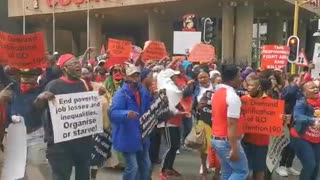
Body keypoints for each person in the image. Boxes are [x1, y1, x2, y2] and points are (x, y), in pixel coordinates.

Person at [34, 54, 93, 180]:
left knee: (83, 176)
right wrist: (41, 98)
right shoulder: (53, 85)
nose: (78, 65)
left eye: (78, 62)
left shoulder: (84, 84)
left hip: (82, 141)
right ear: (64, 68)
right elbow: (39, 107)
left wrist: (98, 96)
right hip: (60, 145)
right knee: (61, 176)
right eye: (73, 63)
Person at [109, 63, 152, 180]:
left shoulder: (143, 91)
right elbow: (112, 114)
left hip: (141, 134)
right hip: (127, 136)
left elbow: (149, 108)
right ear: (126, 77)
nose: (135, 78)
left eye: (137, 75)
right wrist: (126, 114)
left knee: (146, 165)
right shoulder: (120, 94)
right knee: (133, 167)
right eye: (132, 76)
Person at [211, 64, 248, 180]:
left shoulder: (217, 93)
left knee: (227, 171)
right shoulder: (232, 97)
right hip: (227, 140)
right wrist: (234, 148)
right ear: (232, 80)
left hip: (217, 139)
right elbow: (231, 124)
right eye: (239, 76)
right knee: (241, 171)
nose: (241, 79)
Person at [241, 75, 272, 180]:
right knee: (244, 170)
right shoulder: (243, 100)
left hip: (261, 142)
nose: (248, 88)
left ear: (258, 88)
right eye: (247, 85)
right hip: (245, 140)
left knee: (259, 170)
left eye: (250, 85)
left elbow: (275, 121)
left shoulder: (271, 103)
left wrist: (283, 118)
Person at [193, 70, 220, 180]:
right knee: (203, 149)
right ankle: (204, 171)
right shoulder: (198, 90)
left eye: (205, 77)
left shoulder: (221, 91)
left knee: (218, 149)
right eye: (200, 77)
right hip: (203, 121)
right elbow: (194, 105)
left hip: (218, 124)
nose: (203, 79)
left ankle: (217, 173)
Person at [290, 81, 320, 180]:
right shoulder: (301, 102)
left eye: (316, 87)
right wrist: (313, 120)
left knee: (316, 167)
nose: (315, 89)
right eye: (312, 88)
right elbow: (297, 116)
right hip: (301, 138)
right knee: (310, 165)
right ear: (305, 93)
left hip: (316, 139)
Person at [276, 74, 302, 177]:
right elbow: (285, 97)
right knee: (286, 142)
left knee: (294, 143)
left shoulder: (299, 91)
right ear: (291, 81)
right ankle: (281, 165)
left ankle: (289, 165)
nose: (298, 82)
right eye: (296, 80)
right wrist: (296, 85)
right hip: (287, 119)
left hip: (296, 120)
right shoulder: (287, 89)